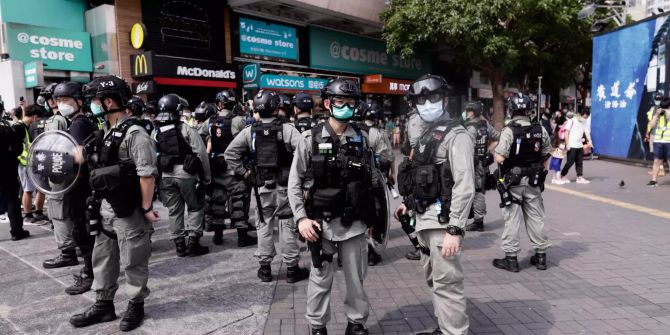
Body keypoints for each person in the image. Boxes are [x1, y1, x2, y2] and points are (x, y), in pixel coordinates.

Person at [289, 78, 393, 335]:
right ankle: (317, 326)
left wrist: (376, 220)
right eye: (340, 102)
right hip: (319, 224)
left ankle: (356, 323)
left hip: (354, 224)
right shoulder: (309, 139)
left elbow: (378, 178)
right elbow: (294, 183)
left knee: (356, 280)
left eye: (351, 102)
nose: (346, 106)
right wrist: (301, 219)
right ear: (327, 103)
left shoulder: (365, 138)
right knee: (320, 279)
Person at [70, 75, 158, 331]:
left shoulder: (135, 133)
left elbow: (146, 175)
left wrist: (147, 208)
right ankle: (103, 305)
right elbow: (86, 158)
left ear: (108, 102)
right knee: (103, 258)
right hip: (105, 208)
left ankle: (135, 304)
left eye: (95, 100)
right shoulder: (105, 131)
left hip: (129, 210)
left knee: (133, 260)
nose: (92, 105)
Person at [394, 75, 473, 335]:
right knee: (434, 279)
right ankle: (445, 326)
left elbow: (464, 184)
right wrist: (408, 202)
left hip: (443, 222)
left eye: (433, 98)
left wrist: (455, 229)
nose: (427, 104)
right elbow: (421, 173)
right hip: (423, 218)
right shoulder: (426, 133)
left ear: (445, 100)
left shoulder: (457, 135)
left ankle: (455, 332)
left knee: (447, 283)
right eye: (422, 100)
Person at [225, 89, 309, 283]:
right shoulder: (287, 129)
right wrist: (300, 176)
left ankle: (264, 269)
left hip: (261, 187)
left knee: (264, 225)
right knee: (288, 225)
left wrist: (244, 172)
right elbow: (304, 151)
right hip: (285, 187)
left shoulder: (249, 131)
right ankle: (291, 269)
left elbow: (230, 153)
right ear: (275, 107)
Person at [492, 92, 552, 273]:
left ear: (511, 110)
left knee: (512, 219)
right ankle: (541, 257)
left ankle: (511, 259)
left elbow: (500, 157)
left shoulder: (509, 131)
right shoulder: (540, 129)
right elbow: (546, 154)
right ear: (529, 110)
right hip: (533, 181)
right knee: (536, 217)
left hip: (513, 182)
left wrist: (495, 152)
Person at [51, 82, 99, 294]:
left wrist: (59, 158)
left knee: (83, 231)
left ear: (79, 101)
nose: (61, 105)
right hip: (84, 185)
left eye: (65, 101)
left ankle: (89, 275)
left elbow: (78, 156)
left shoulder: (78, 123)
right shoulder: (82, 121)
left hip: (80, 186)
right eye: (59, 101)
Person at [155, 94, 212, 256]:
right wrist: (206, 177)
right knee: (195, 207)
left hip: (166, 176)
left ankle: (179, 246)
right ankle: (193, 243)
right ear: (177, 110)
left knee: (174, 210)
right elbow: (201, 153)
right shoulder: (186, 128)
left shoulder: (156, 131)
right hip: (186, 175)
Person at [203, 90, 257, 246]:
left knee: (218, 201)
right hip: (233, 167)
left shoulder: (210, 121)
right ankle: (241, 236)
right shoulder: (239, 120)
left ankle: (218, 236)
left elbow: (200, 135)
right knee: (238, 201)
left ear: (219, 103)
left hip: (216, 167)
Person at [355, 102, 395, 266]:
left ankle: (346, 257)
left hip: (349, 183)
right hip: (372, 181)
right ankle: (372, 254)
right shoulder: (375, 133)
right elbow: (386, 159)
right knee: (375, 215)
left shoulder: (344, 131)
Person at [462, 101, 500, 232]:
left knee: (477, 191)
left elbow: (468, 149)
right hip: (482, 162)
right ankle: (475, 216)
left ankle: (478, 222)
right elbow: (497, 138)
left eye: (468, 111)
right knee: (477, 190)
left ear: (474, 112)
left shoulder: (471, 128)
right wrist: (488, 150)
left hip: (474, 164)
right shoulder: (485, 124)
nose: (466, 113)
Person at [0, 101, 30, 241]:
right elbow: (18, 147)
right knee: (12, 198)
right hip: (8, 168)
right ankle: (16, 231)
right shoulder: (7, 128)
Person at [11, 104, 43, 224]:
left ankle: (34, 213)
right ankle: (28, 214)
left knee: (31, 189)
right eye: (38, 119)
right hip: (24, 164)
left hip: (28, 163)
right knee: (28, 190)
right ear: (34, 117)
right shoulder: (19, 127)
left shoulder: (23, 126)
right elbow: (16, 147)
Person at [556, 110, 592, 184]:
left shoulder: (584, 122)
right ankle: (562, 175)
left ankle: (579, 177)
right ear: (582, 114)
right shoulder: (572, 121)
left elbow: (587, 132)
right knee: (570, 162)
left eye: (586, 118)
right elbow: (566, 132)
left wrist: (590, 141)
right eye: (585, 117)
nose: (585, 119)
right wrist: (567, 144)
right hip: (572, 145)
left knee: (579, 162)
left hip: (579, 145)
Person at [647, 97, 670, 187]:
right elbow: (652, 126)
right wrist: (656, 116)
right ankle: (654, 180)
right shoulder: (659, 114)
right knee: (656, 161)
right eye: (663, 108)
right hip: (659, 141)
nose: (664, 110)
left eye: (666, 107)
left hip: (669, 141)